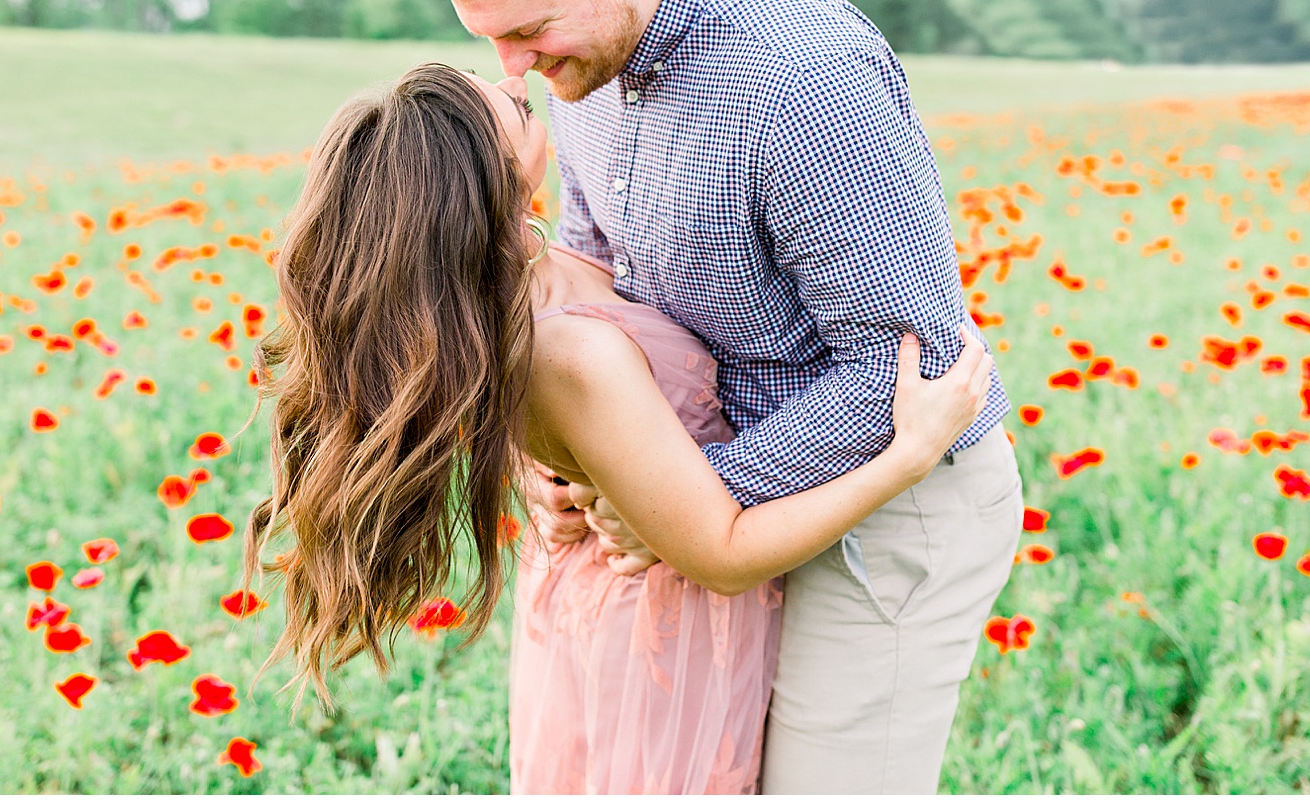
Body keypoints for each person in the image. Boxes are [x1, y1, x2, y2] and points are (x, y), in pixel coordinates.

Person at [412, 0, 1025, 793]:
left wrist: (687, 495)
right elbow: (594, 275)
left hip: (886, 508)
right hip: (710, 504)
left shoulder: (800, 77)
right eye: (490, 40)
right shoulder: (588, 70)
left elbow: (906, 367)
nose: (512, 72)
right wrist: (560, 462)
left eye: (526, 31)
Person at [244, 62, 993, 793]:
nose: (513, 78)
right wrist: (909, 456)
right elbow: (724, 553)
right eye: (498, 101)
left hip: (613, 590)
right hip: (659, 626)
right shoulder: (572, 352)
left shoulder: (515, 276)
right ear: (479, 177)